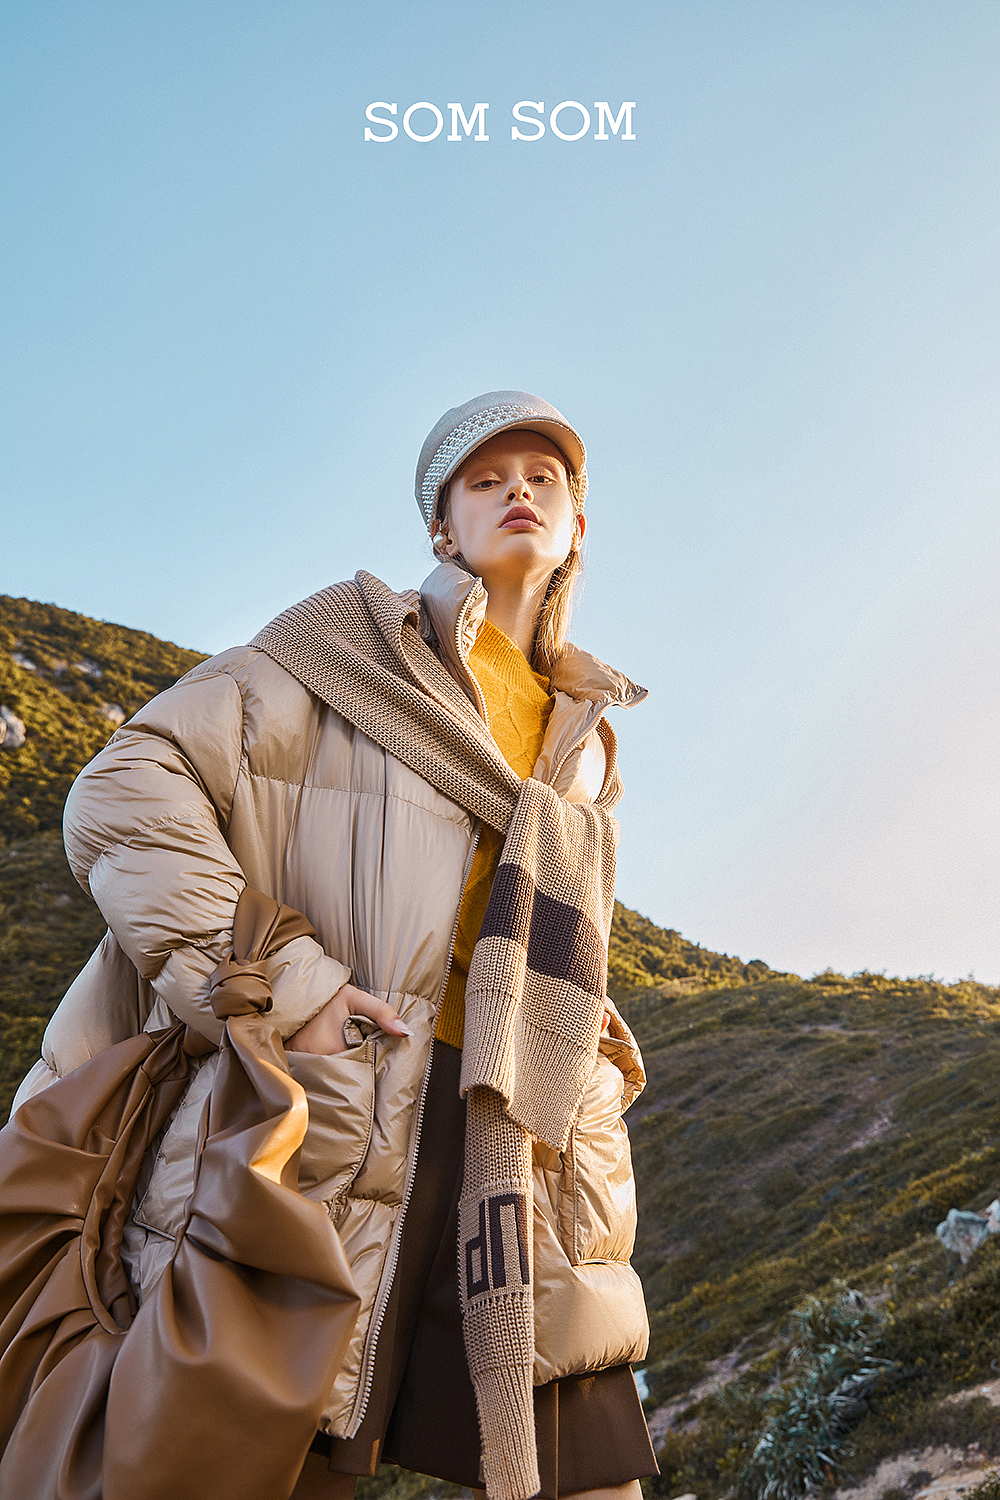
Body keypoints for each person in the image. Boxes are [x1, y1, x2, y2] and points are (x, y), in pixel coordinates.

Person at [19, 391, 655, 1500]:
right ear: (439, 526)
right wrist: (290, 989)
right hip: (345, 1101)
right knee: (275, 1449)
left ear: (577, 528)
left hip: (518, 1130)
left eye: (544, 479)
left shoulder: (584, 736)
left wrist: (585, 1024)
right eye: (485, 477)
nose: (518, 491)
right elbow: (122, 790)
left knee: (585, 1461)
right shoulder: (338, 654)